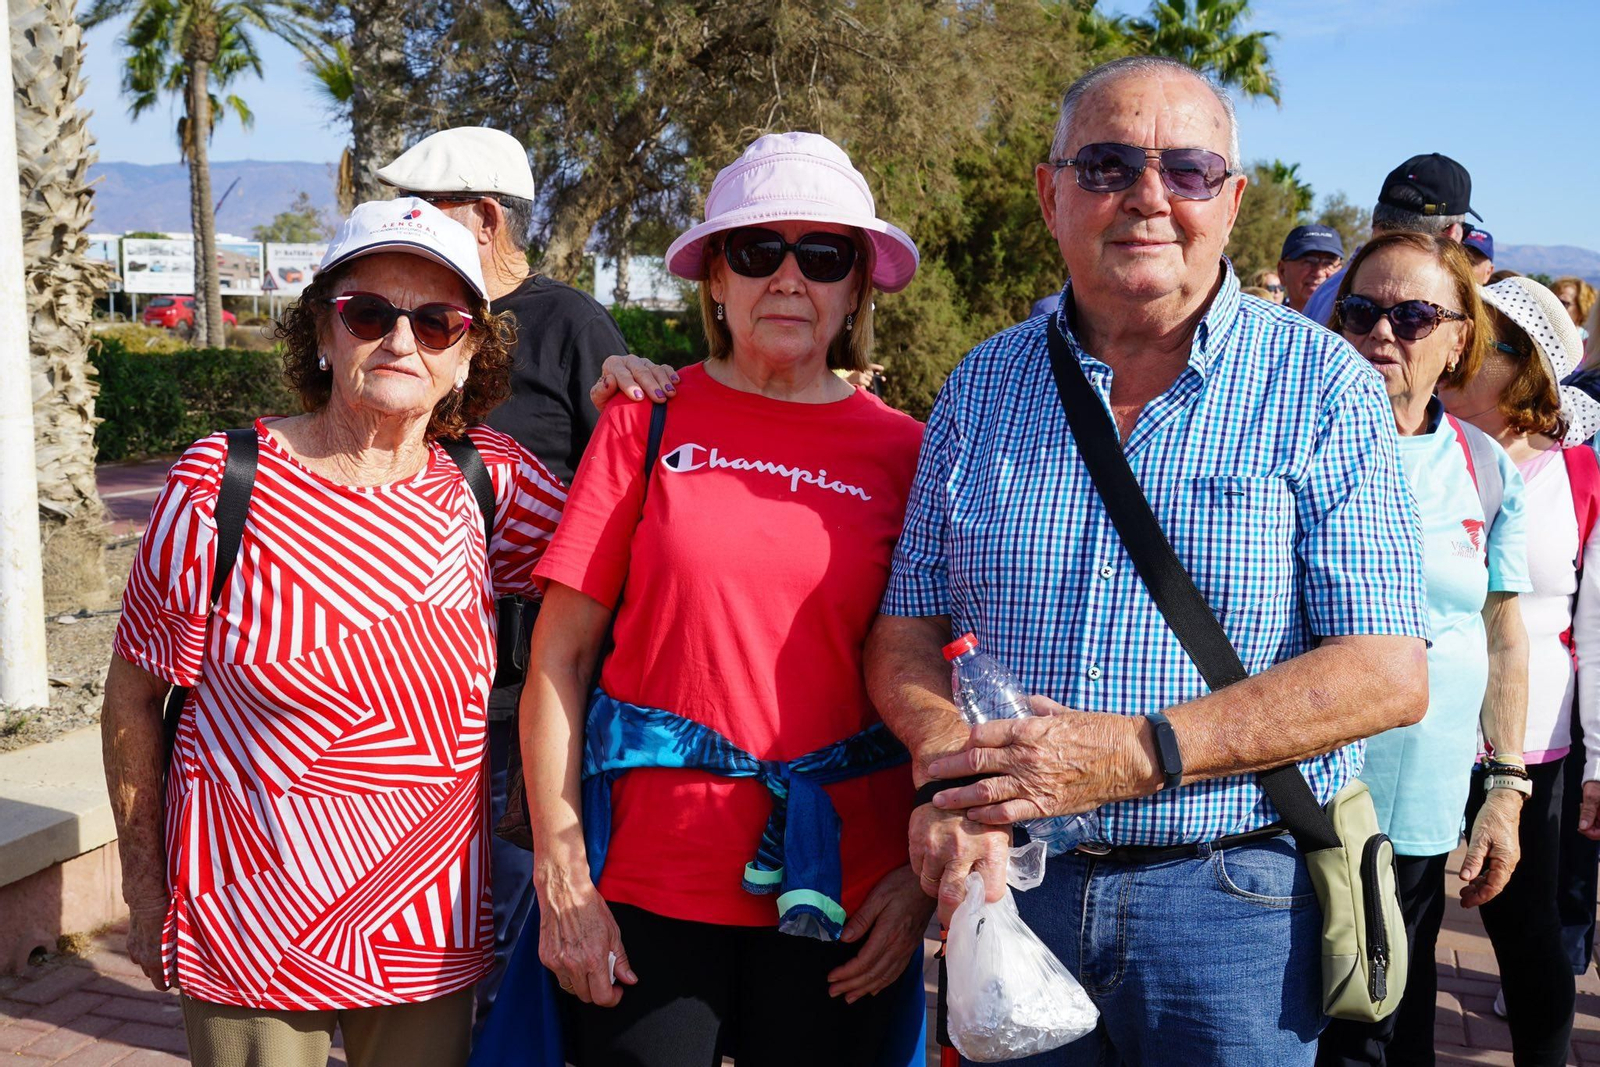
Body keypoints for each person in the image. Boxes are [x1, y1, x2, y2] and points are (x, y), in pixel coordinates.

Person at [867, 56, 1428, 1066]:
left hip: (1232, 904)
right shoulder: (980, 384)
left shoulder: (1320, 384)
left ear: (1233, 199)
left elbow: (1387, 670)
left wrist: (1137, 751)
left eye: (1189, 170)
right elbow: (905, 627)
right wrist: (950, 770)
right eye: (1108, 163)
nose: (1148, 197)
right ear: (1050, 194)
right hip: (1018, 889)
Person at [100, 198, 567, 1067]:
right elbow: (134, 688)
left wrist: (650, 397)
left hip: (425, 928)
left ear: (468, 357)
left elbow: (625, 577)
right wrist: (144, 884)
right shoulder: (220, 484)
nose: (401, 340)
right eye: (368, 312)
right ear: (322, 329)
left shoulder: (493, 485)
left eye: (437, 321)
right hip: (245, 922)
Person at [519, 131, 931, 1066]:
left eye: (823, 256)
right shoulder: (644, 419)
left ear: (857, 287)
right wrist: (562, 871)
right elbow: (561, 656)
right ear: (715, 278)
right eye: (757, 250)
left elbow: (951, 671)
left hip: (846, 893)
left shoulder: (910, 451)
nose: (789, 277)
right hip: (651, 881)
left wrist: (917, 876)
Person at [374, 127, 641, 1025]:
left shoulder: (570, 325)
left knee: (511, 922)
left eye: (423, 213)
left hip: (516, 690)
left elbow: (624, 499)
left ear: (486, 219)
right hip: (397, 691)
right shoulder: (401, 318)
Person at [1315, 232, 1531, 1067]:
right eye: (1362, 311)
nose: (1382, 333)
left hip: (1419, 813)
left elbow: (1503, 631)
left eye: (1412, 316)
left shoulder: (1481, 465)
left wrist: (1506, 786)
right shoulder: (1295, 447)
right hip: (1299, 806)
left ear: (1457, 341)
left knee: (1390, 1026)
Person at [1441, 276, 1600, 1067]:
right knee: (1391, 921)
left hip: (1531, 743)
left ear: (1527, 365)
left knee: (1527, 928)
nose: (1456, 351)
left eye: (1479, 341)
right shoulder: (1423, 449)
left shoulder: (1581, 477)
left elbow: (1596, 629)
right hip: (1419, 727)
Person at [1303, 152, 1480, 325]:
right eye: (1466, 231)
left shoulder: (1326, 291)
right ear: (1450, 234)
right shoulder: (1435, 312)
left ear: (1376, 221)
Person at [1276, 224, 1342, 312]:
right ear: (1282, 271)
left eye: (1329, 263)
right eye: (1308, 261)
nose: (1319, 273)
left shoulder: (1354, 324)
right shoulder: (1263, 324)